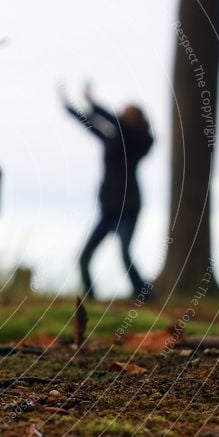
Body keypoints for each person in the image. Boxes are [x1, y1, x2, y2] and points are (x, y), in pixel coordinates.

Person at [60, 83, 153, 298]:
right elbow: (91, 125)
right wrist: (69, 107)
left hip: (128, 207)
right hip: (108, 208)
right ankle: (90, 297)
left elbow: (115, 122)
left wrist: (93, 102)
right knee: (84, 257)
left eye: (127, 115)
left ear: (137, 119)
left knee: (125, 254)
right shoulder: (114, 140)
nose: (122, 117)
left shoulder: (140, 140)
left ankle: (144, 294)